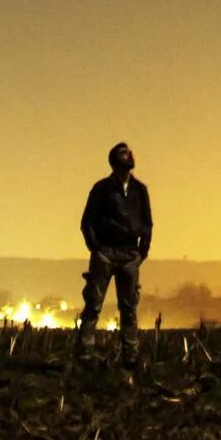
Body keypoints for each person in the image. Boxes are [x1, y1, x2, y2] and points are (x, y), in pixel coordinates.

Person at [78, 141, 151, 336]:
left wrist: (141, 252)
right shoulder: (101, 189)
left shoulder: (140, 190)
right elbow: (87, 222)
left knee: (129, 311)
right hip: (106, 252)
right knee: (93, 305)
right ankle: (85, 354)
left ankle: (130, 358)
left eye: (130, 153)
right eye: (124, 153)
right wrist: (97, 250)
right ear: (114, 161)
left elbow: (147, 223)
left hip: (130, 253)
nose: (130, 156)